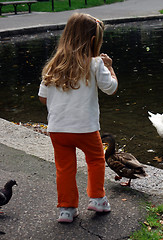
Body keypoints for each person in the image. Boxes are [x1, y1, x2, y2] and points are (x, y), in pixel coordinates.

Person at [38, 13, 118, 223]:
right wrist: (109, 66)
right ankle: (97, 199)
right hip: (86, 128)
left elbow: (42, 98)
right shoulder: (95, 64)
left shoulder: (52, 65)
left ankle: (66, 209)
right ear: (93, 41)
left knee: (64, 168)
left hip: (58, 129)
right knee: (95, 160)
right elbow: (110, 88)